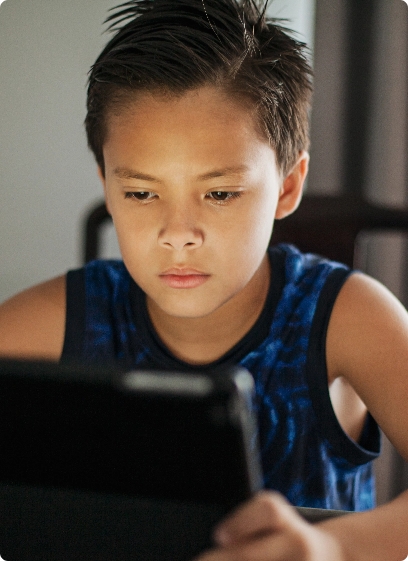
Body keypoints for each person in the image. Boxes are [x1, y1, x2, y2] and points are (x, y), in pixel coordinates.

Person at [0, 0, 408, 559]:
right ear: (106, 183)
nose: (178, 234)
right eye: (141, 193)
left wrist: (331, 548)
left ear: (288, 187)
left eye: (220, 193)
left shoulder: (346, 317)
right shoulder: (68, 316)